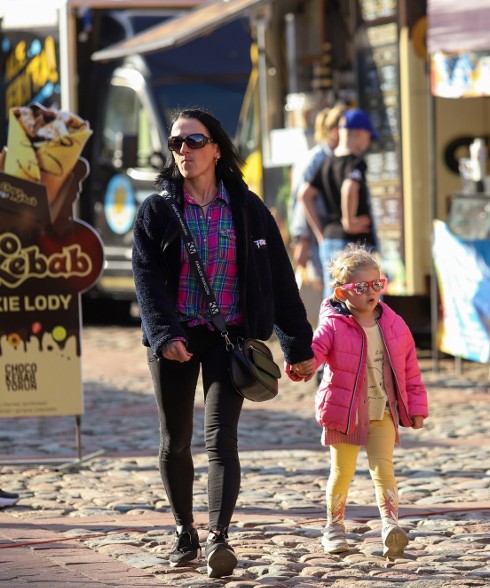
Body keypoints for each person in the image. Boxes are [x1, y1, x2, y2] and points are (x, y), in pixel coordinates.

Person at [132, 108, 316, 578]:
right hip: (177, 337)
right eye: (175, 144)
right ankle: (182, 531)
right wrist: (165, 334)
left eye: (193, 142)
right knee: (175, 440)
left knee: (221, 439)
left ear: (217, 148)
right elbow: (147, 279)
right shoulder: (157, 209)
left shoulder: (248, 208)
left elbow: (279, 277)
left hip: (228, 337)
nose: (184, 152)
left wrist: (298, 346)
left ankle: (218, 537)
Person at [286, 243, 428, 560]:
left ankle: (390, 525)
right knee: (343, 471)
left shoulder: (395, 325)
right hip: (345, 413)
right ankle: (333, 528)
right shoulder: (333, 326)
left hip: (383, 413)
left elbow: (410, 370)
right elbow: (314, 355)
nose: (371, 291)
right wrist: (300, 365)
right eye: (361, 287)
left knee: (384, 469)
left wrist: (416, 407)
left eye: (377, 284)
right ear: (341, 293)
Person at [298, 108, 379, 298]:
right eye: (369, 138)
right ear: (359, 134)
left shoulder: (326, 162)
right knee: (362, 297)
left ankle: (330, 328)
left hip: (330, 239)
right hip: (353, 243)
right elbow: (349, 188)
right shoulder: (356, 162)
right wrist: (349, 220)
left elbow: (304, 195)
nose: (368, 143)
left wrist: (320, 234)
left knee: (334, 294)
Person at [289, 104, 348, 290]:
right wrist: (303, 240)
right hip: (318, 236)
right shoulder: (316, 158)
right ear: (336, 131)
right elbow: (301, 199)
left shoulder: (336, 156)